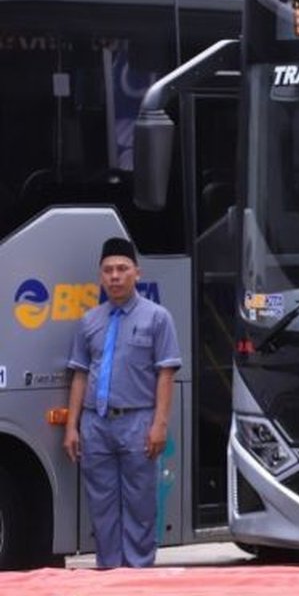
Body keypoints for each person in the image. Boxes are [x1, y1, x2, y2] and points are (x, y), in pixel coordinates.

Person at [63, 237, 181, 568]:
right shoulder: (90, 321)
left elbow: (166, 374)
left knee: (140, 504)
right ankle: (109, 573)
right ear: (101, 276)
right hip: (95, 425)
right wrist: (72, 427)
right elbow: (80, 375)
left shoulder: (157, 318)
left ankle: (137, 577)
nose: (115, 276)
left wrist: (159, 424)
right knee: (101, 504)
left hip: (137, 423)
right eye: (108, 270)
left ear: (137, 274)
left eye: (122, 269)